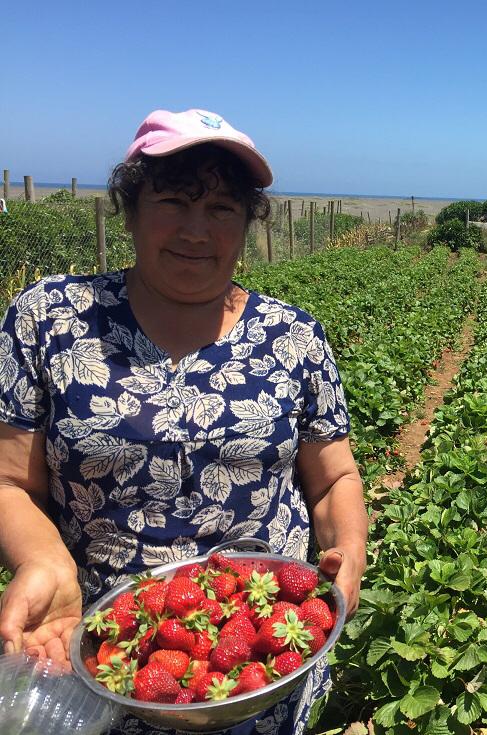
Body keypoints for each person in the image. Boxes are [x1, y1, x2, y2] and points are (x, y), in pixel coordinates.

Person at [0, 108, 369, 734]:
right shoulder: (50, 320)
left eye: (223, 208)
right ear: (130, 209)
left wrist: (349, 549)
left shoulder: (294, 337)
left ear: (247, 223)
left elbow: (335, 478)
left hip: (261, 649)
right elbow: (9, 481)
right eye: (173, 200)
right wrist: (45, 564)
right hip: (100, 649)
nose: (197, 230)